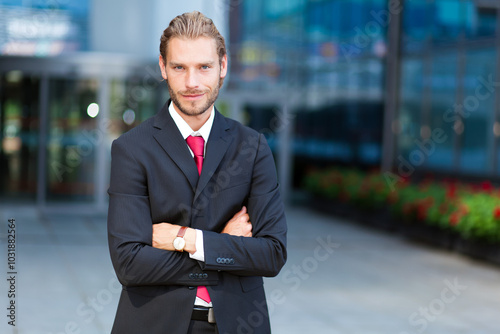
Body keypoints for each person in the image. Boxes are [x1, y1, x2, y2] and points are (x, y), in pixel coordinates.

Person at [107, 11, 287, 334]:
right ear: (163, 68)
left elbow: (272, 253)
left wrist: (188, 240)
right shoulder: (131, 149)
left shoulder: (253, 147)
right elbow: (130, 264)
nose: (192, 82)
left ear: (223, 67)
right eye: (179, 67)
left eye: (204, 67)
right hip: (153, 324)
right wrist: (225, 247)